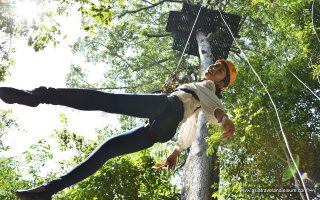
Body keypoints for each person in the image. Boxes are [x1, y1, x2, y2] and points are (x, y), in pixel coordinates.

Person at [0, 59, 236, 200]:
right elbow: (192, 122)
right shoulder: (200, 93)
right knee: (107, 150)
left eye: (220, 70)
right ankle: (48, 191)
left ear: (221, 83)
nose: (214, 67)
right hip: (159, 130)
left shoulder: (208, 89)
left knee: (108, 101)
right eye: (215, 64)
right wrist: (176, 151)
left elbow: (216, 111)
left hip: (169, 107)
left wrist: (225, 121)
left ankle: (40, 96)